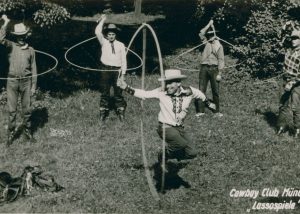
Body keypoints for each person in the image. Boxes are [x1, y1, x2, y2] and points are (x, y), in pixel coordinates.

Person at [117, 69, 216, 167]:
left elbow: (200, 95)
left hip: (179, 128)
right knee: (180, 144)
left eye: (170, 83)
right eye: (166, 83)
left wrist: (209, 104)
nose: (168, 86)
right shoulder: (161, 91)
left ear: (178, 83)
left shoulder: (189, 91)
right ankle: (163, 154)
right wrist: (126, 87)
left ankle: (168, 156)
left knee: (192, 153)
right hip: (165, 127)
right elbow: (144, 94)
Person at [0, 15, 37, 146]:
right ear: (15, 36)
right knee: (12, 110)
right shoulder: (11, 46)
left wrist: (33, 86)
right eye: (18, 35)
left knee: (27, 110)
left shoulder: (31, 50)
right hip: (12, 82)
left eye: (23, 35)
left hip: (26, 82)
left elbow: (34, 69)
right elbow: (0, 39)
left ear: (26, 35)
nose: (21, 37)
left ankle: (28, 132)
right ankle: (10, 134)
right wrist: (6, 23)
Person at [95, 14, 127, 122]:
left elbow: (124, 61)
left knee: (118, 92)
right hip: (105, 70)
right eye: (109, 34)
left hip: (117, 71)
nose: (111, 36)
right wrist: (103, 20)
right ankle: (103, 113)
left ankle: (121, 113)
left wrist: (122, 76)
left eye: (113, 34)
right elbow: (97, 32)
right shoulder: (103, 42)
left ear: (115, 35)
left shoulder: (121, 45)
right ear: (106, 35)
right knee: (105, 92)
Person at [195, 20, 225, 117]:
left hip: (214, 69)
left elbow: (221, 60)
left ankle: (216, 112)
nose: (210, 37)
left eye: (212, 35)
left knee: (215, 91)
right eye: (209, 35)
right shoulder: (206, 43)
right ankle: (201, 111)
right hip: (204, 68)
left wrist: (220, 73)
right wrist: (209, 24)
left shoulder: (219, 46)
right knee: (201, 90)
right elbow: (201, 33)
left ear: (216, 35)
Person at [277, 29, 300, 138]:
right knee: (283, 104)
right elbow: (285, 66)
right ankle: (281, 127)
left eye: (296, 38)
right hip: (286, 79)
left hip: (297, 83)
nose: (293, 41)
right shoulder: (288, 50)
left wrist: (291, 83)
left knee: (296, 107)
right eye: (292, 38)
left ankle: (297, 130)